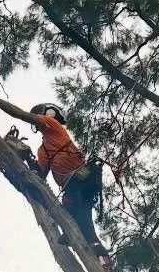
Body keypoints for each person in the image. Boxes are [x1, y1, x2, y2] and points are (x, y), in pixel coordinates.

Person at [26, 105, 107, 259]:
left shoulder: (54, 125)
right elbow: (41, 174)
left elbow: (22, 115)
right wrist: (30, 163)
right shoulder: (42, 150)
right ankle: (101, 260)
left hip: (83, 174)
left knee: (79, 213)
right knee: (80, 220)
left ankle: (88, 242)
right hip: (72, 187)